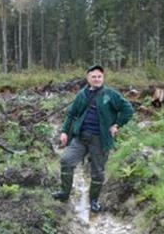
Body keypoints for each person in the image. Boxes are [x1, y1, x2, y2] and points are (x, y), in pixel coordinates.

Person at [53, 64, 134, 212]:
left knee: (97, 172)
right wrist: (64, 132)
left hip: (100, 139)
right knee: (66, 161)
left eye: (99, 76)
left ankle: (94, 201)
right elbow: (71, 114)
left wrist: (117, 125)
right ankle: (65, 194)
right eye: (93, 77)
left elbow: (128, 109)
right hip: (81, 138)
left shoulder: (110, 94)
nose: (97, 79)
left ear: (103, 78)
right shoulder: (82, 95)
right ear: (88, 78)